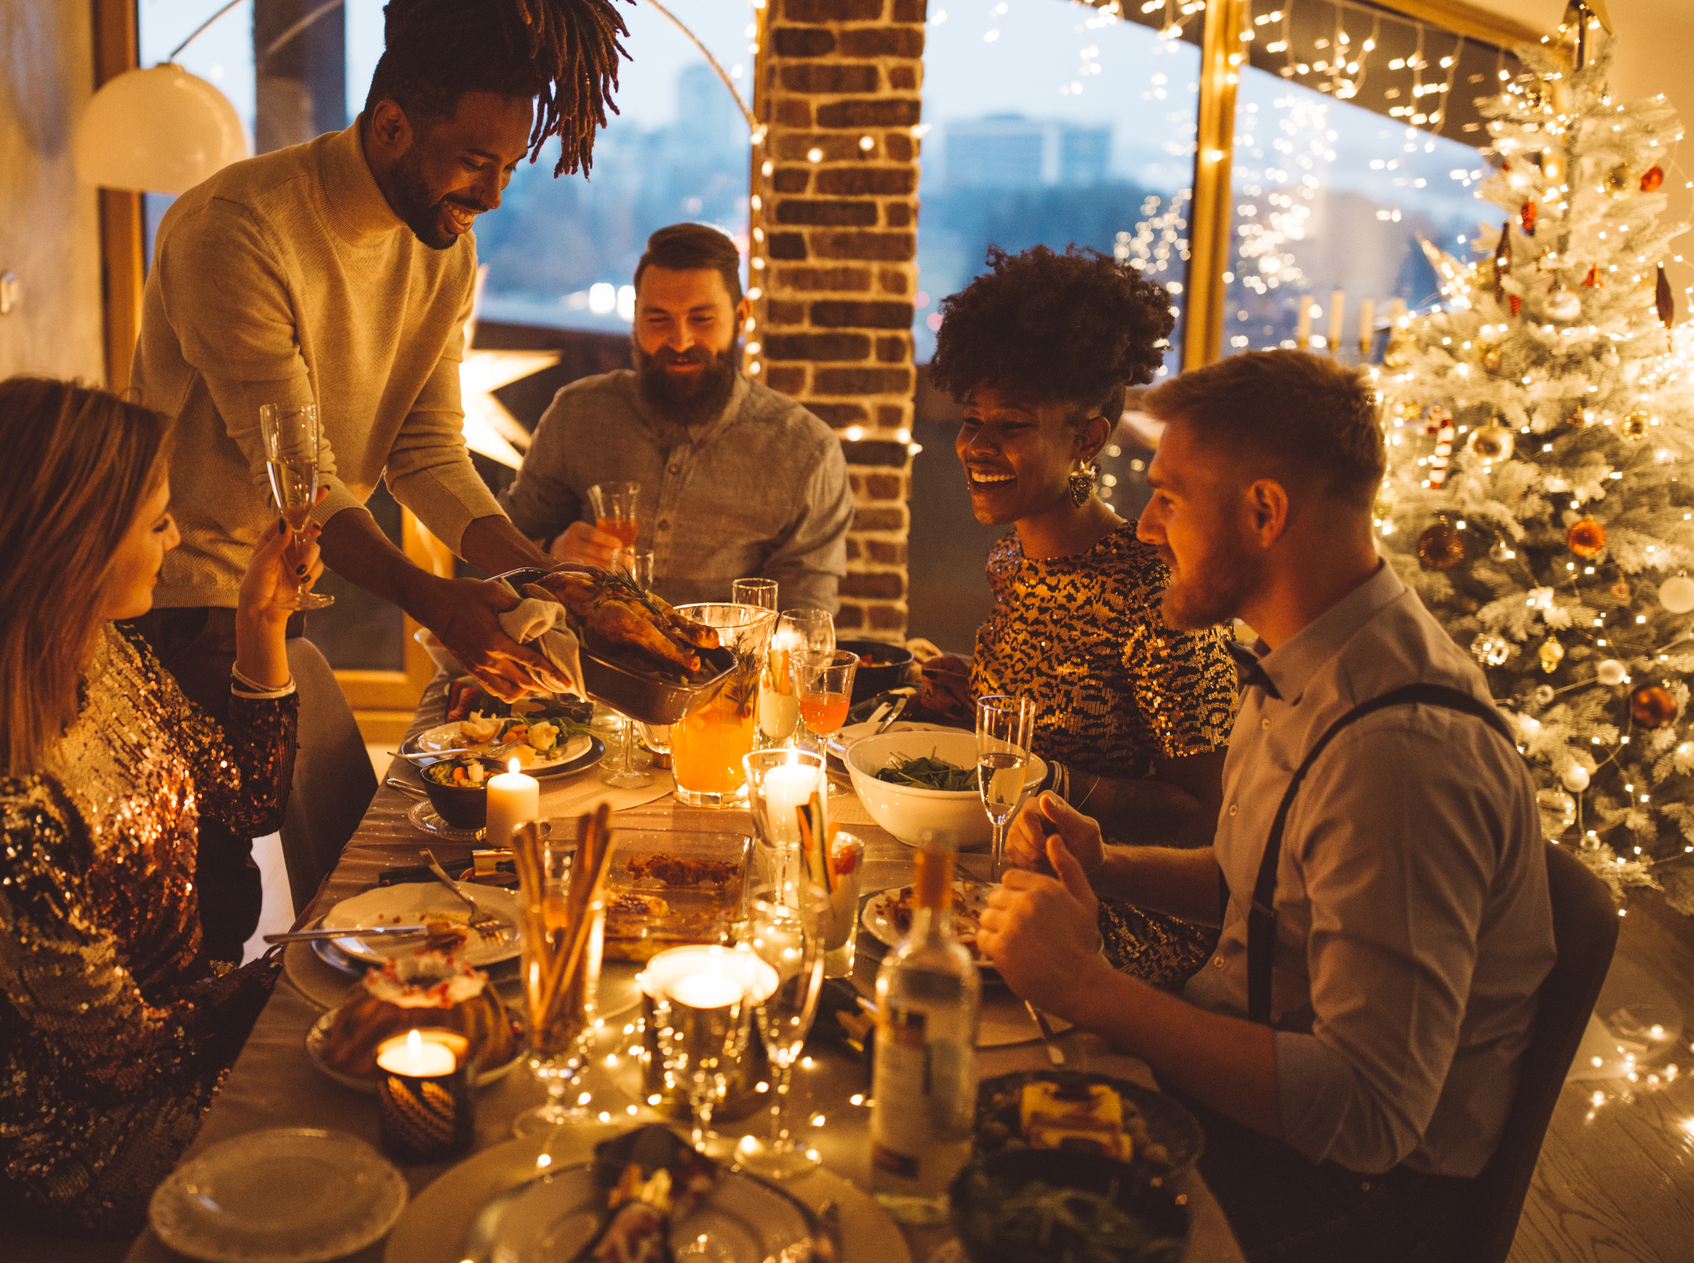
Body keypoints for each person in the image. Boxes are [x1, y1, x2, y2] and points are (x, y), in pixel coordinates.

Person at [130, 0, 637, 957]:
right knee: (198, 893)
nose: (492, 194)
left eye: (509, 167)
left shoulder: (440, 250)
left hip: (276, 591)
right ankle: (189, 1100)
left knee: (238, 863)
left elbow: (428, 449)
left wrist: (536, 575)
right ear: (394, 125)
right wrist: (443, 604)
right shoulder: (238, 230)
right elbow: (300, 481)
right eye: (474, 162)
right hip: (172, 596)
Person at [981, 350, 1554, 1262]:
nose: (1144, 524)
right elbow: (1267, 886)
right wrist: (1106, 865)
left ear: (1264, 511)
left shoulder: (1396, 756)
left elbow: (1368, 1112)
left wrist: (1089, 987)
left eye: (1169, 496)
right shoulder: (1301, 656)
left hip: (1349, 1200)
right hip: (1246, 1099)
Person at [0, 378, 318, 1237]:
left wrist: (260, 624)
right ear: (71, 540)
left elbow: (248, 800)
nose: (177, 538)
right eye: (157, 521)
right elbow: (122, 1061)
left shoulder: (100, 650)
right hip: (86, 1138)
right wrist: (306, 970)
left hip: (186, 1034)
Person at [909, 245, 1236, 989]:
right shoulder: (1012, 559)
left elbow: (1204, 819)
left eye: (1014, 426)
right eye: (972, 420)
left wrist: (1050, 777)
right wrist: (971, 692)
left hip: (1121, 918)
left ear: (1087, 438)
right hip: (1008, 865)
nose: (977, 446)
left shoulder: (1160, 593)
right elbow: (1048, 707)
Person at [499, 222, 851, 612]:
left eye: (701, 319)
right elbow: (500, 550)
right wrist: (553, 553)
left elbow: (806, 614)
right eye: (658, 319)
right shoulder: (578, 415)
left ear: (741, 315)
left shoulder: (805, 450)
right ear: (635, 317)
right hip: (580, 667)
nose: (680, 341)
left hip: (727, 669)